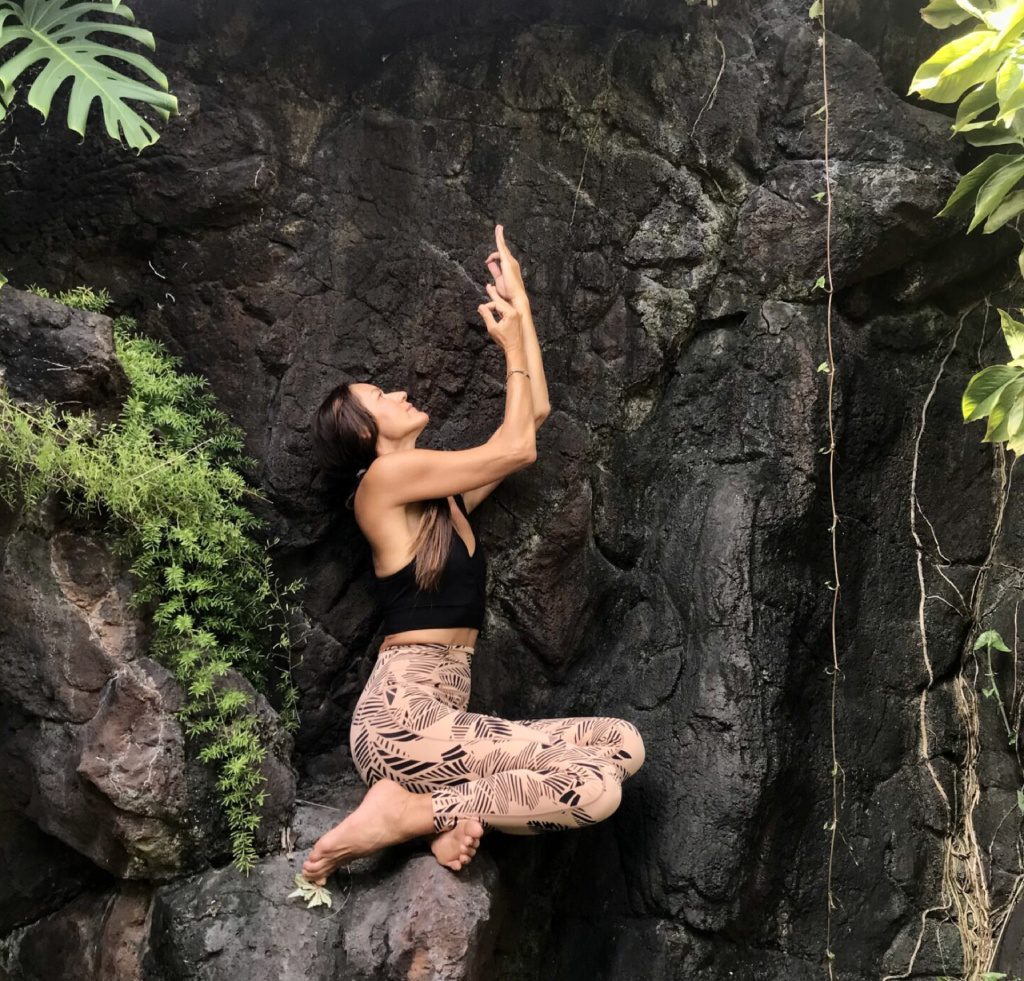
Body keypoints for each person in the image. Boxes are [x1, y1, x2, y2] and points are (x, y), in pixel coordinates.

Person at [302, 224, 645, 884]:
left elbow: (533, 414)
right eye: (380, 398)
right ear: (368, 435)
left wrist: (522, 307)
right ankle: (406, 812)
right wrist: (509, 341)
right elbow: (517, 449)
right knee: (596, 790)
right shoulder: (382, 482)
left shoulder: (443, 501)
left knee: (620, 746)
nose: (398, 393)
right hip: (401, 719)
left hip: (443, 721)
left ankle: (424, 813)